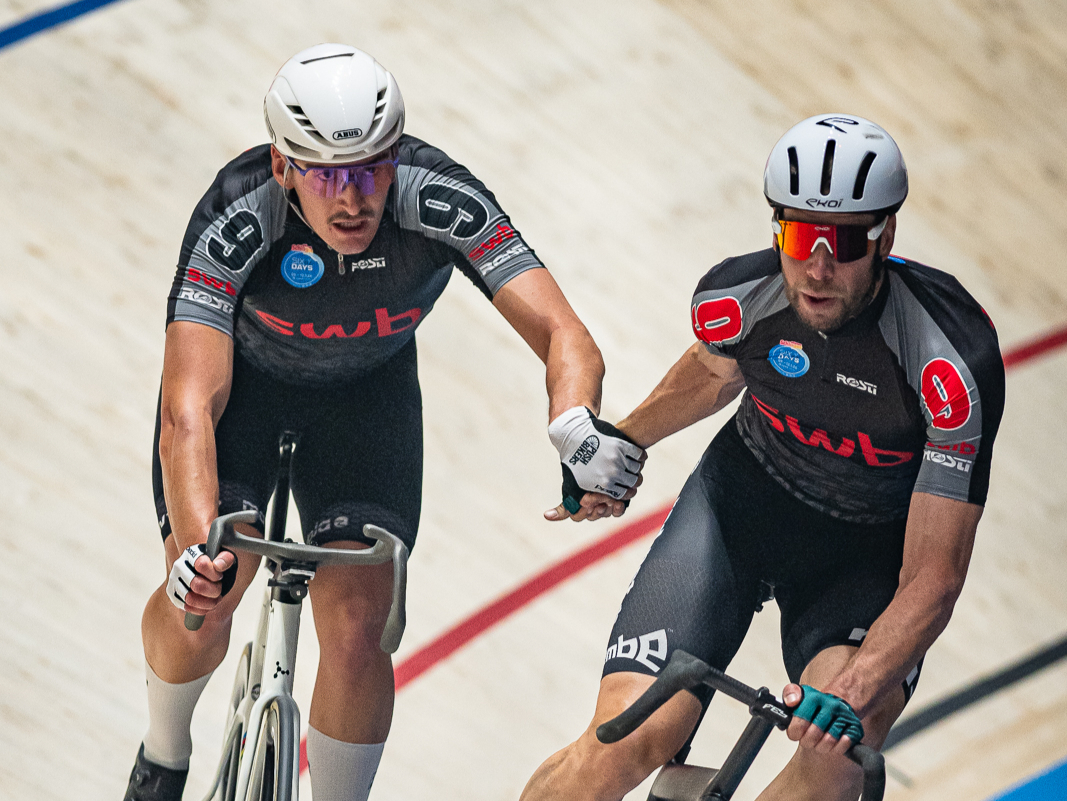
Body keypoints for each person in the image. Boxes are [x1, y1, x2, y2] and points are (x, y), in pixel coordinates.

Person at [123, 43, 644, 801]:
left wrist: (573, 423)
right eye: (328, 174)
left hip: (366, 396)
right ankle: (162, 754)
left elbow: (564, 333)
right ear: (282, 166)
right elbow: (189, 409)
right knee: (209, 590)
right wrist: (198, 546)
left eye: (372, 168)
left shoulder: (438, 196)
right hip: (246, 396)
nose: (353, 198)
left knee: (359, 623)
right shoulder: (235, 215)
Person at [520, 113, 1005, 801]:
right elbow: (712, 374)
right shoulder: (739, 296)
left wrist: (855, 685)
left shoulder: (948, 362)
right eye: (799, 236)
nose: (817, 266)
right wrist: (622, 441)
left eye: (841, 243)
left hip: (860, 562)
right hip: (736, 514)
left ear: (886, 236)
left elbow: (933, 575)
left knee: (837, 758)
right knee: (623, 739)